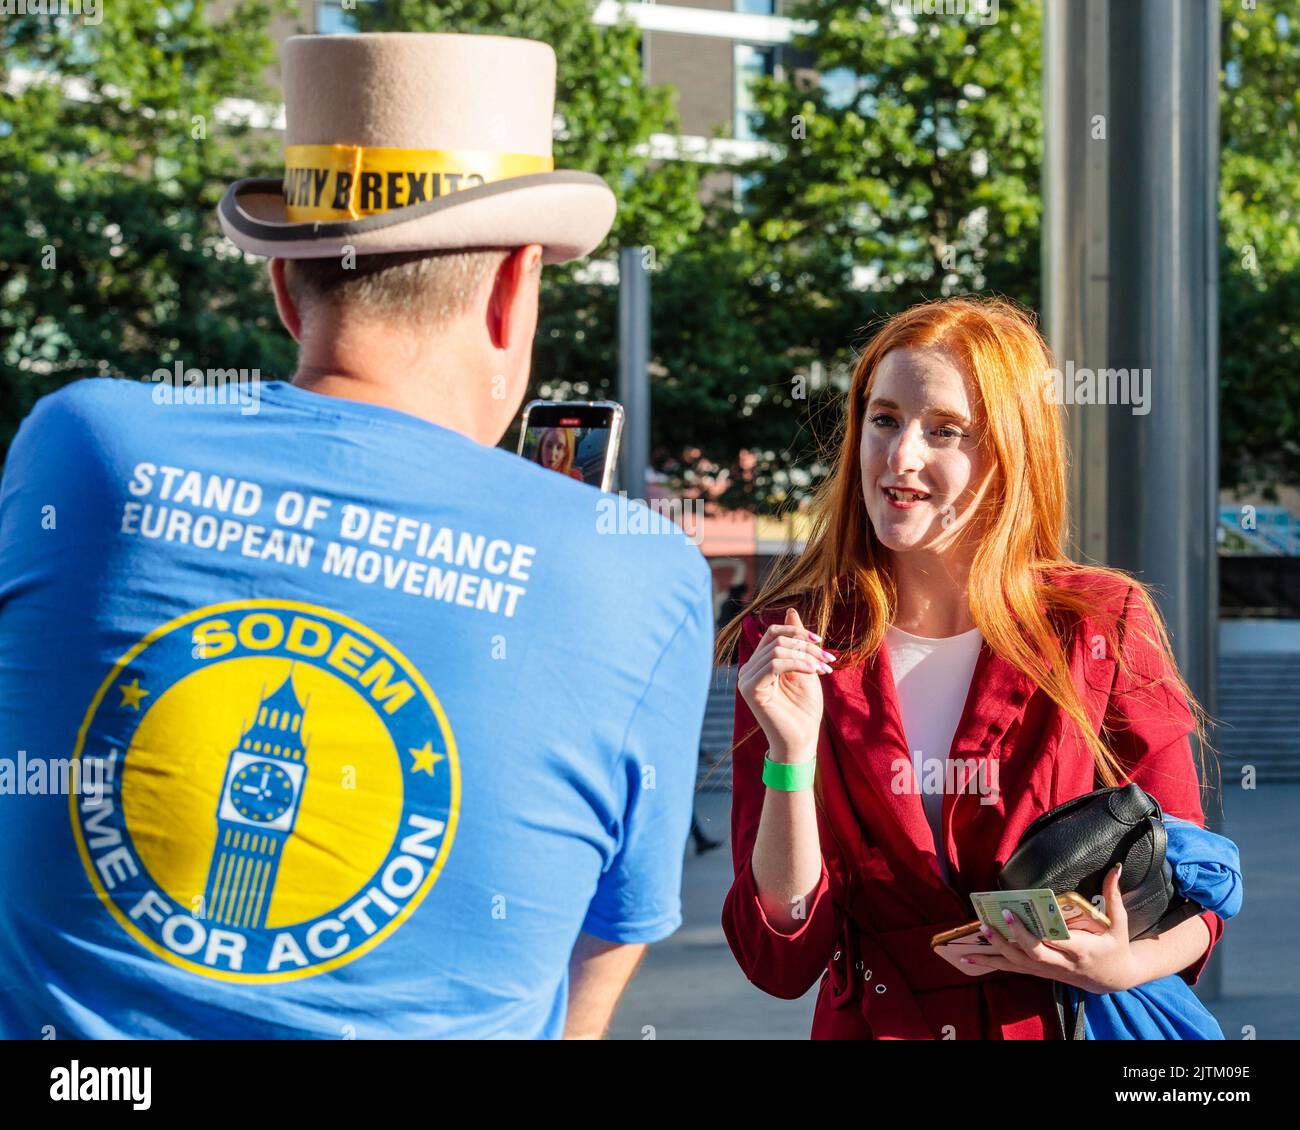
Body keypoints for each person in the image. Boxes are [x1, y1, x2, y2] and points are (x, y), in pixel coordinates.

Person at [0, 32, 714, 1039]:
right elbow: (600, 948)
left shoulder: (81, 449)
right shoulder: (637, 572)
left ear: (286, 287)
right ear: (514, 291)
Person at [716, 296, 1228, 1040]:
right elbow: (779, 956)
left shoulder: (1098, 624)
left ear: (1010, 453)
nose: (901, 456)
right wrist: (791, 760)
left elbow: (1199, 886)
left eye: (944, 430)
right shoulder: (791, 636)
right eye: (884, 419)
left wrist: (1122, 964)